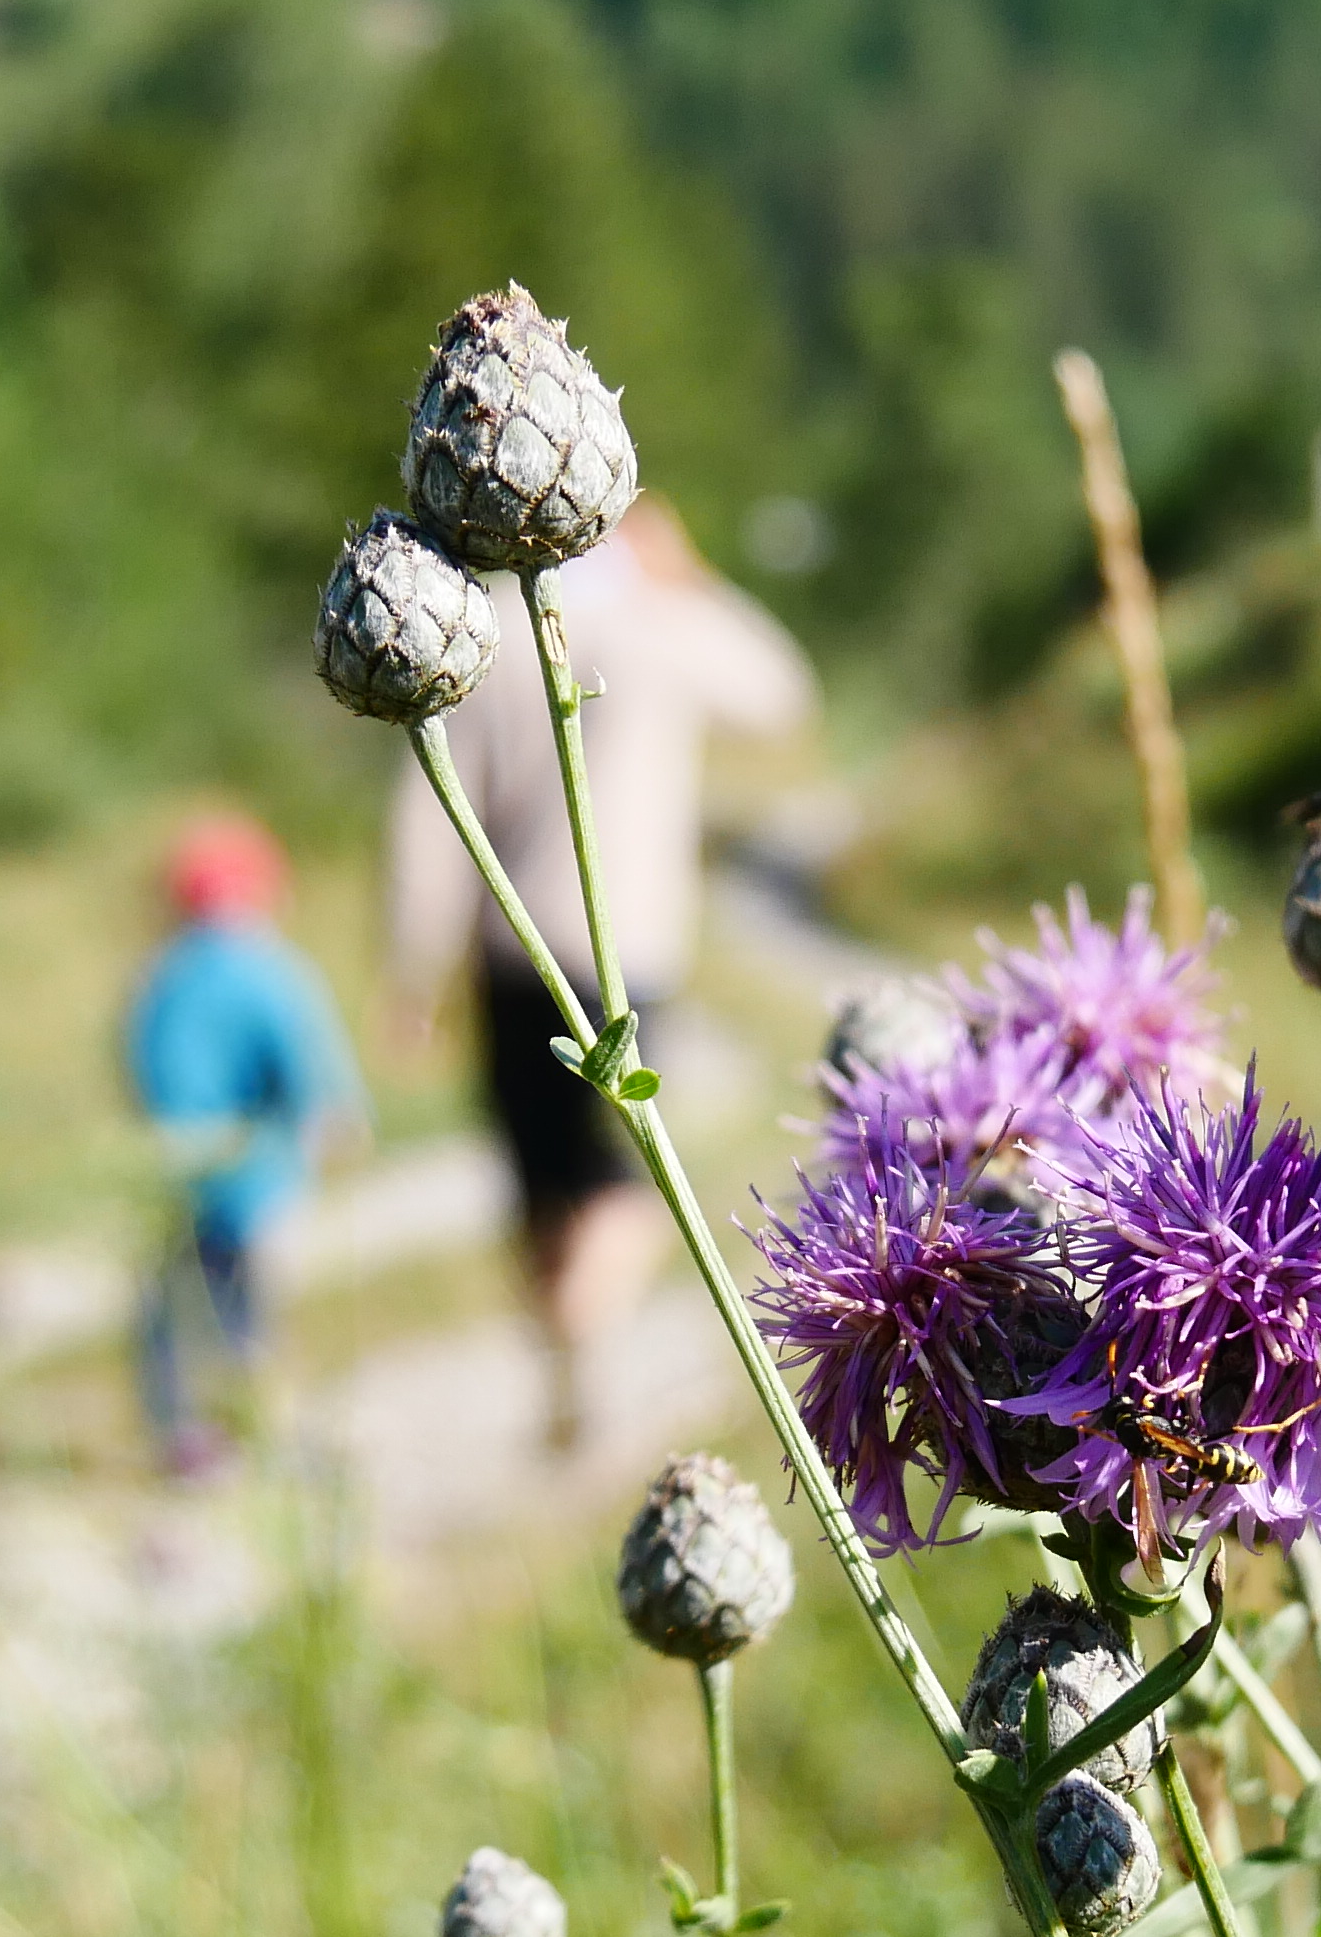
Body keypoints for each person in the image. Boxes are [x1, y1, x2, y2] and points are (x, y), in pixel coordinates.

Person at [386, 496, 815, 1450]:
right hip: (625, 957)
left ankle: (562, 1369)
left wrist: (413, 969)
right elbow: (783, 692)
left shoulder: (478, 628)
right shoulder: (656, 626)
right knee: (621, 1181)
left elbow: (427, 809)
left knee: (539, 1185)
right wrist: (691, 579)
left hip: (506, 952)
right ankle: (584, 1341)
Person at [123, 809, 364, 1475]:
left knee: (179, 1311)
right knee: (257, 1317)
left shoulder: (162, 979)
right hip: (264, 1175)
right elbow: (308, 1061)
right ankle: (271, 1437)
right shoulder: (270, 970)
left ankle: (179, 1434)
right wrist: (336, 1118)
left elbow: (141, 1068)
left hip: (183, 1175)